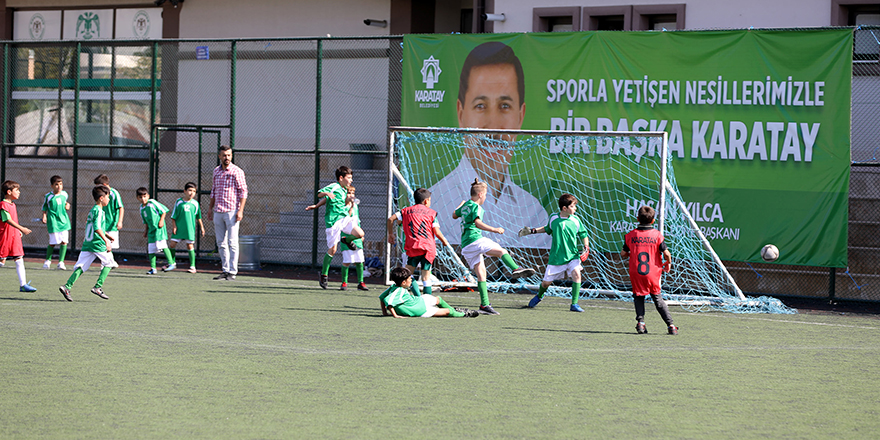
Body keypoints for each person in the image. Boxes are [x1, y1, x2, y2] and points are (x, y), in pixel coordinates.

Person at [430, 41, 549, 249]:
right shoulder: (438, 200)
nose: (493, 125)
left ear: (520, 116)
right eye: (480, 106)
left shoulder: (535, 210)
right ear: (461, 114)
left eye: (504, 106)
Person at [452, 178, 536, 315]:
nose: (485, 197)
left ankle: (484, 305)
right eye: (485, 195)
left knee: (481, 275)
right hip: (475, 240)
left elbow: (454, 215)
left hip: (466, 246)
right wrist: (494, 229)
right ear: (480, 195)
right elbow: (477, 223)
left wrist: (459, 206)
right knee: (501, 251)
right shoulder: (475, 206)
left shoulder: (466, 205)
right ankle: (515, 268)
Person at [519, 193, 590, 312]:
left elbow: (583, 234)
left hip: (572, 256)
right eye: (573, 206)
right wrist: (532, 231)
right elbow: (547, 229)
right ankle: (540, 295)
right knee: (546, 283)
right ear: (564, 208)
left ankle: (574, 304)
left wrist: (586, 247)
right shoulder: (554, 218)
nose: (575, 208)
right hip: (556, 257)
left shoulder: (576, 220)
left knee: (577, 274)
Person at [620, 206, 678, 335]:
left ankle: (640, 323)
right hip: (652, 272)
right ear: (653, 221)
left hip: (636, 272)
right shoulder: (657, 235)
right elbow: (667, 254)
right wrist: (668, 263)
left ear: (637, 219)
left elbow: (623, 253)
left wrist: (633, 254)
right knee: (657, 298)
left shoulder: (631, 235)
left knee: (638, 296)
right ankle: (671, 325)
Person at [306, 165, 365, 289]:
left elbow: (339, 201)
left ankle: (346, 239)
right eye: (349, 178)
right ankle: (324, 274)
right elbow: (320, 194)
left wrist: (350, 203)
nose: (351, 180)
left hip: (344, 218)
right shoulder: (334, 186)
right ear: (341, 177)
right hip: (333, 222)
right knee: (332, 250)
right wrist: (318, 203)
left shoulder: (344, 190)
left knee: (360, 234)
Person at [387, 187, 451, 298]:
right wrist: (444, 241)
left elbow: (390, 219)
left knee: (406, 275)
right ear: (426, 201)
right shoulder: (432, 213)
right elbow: (436, 231)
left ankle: (407, 297)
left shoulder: (405, 211)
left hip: (413, 246)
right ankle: (427, 301)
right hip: (427, 248)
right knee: (426, 277)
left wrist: (391, 234)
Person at [59, 186, 115, 301]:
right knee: (109, 263)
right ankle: (98, 287)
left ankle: (67, 286)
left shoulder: (93, 210)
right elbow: (97, 228)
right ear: (101, 198)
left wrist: (107, 235)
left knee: (81, 266)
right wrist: (106, 241)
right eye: (108, 197)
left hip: (88, 243)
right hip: (97, 243)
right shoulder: (99, 211)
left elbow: (95, 226)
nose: (109, 200)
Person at [208, 145, 248, 281]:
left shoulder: (237, 171)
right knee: (221, 242)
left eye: (229, 155)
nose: (227, 158)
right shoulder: (216, 171)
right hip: (218, 210)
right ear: (219, 156)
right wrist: (210, 208)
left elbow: (243, 191)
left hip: (232, 211)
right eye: (224, 155)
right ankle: (225, 270)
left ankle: (232, 271)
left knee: (232, 242)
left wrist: (240, 210)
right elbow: (213, 190)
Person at [379, 266, 479, 318]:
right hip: (422, 310)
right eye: (410, 279)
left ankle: (455, 309)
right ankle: (464, 314)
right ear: (404, 282)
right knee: (447, 312)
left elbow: (381, 297)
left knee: (438, 299)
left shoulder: (393, 287)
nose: (411, 281)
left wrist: (384, 313)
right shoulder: (399, 290)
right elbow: (389, 301)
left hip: (420, 301)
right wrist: (395, 315)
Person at [1, 180, 37, 292]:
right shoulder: (3, 205)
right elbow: (7, 219)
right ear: (9, 192)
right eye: (17, 190)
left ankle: (23, 285)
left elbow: (13, 220)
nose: (19, 192)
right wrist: (21, 228)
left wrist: (17, 231)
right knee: (2, 261)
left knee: (19, 258)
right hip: (5, 236)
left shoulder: (13, 205)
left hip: (14, 236)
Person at [137, 187, 176, 274]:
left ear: (148, 196)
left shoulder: (152, 203)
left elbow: (164, 211)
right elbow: (146, 221)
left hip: (159, 229)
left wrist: (161, 220)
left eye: (145, 196)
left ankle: (171, 263)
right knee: (151, 249)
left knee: (163, 245)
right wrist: (146, 231)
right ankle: (153, 268)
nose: (143, 199)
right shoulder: (141, 208)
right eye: (140, 197)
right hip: (151, 231)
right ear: (137, 198)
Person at [169, 182, 205, 274]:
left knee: (190, 245)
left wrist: (202, 227)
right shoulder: (179, 202)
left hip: (190, 229)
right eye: (189, 190)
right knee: (172, 244)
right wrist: (174, 227)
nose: (191, 193)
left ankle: (192, 266)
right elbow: (173, 216)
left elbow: (198, 217)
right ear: (185, 191)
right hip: (179, 228)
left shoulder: (195, 204)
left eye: (194, 191)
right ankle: (172, 263)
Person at [41, 175, 71, 270]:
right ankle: (47, 261)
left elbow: (66, 204)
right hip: (53, 222)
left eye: (61, 184)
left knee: (64, 242)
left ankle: (61, 262)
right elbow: (45, 207)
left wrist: (68, 206)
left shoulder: (65, 194)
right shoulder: (48, 196)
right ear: (52, 186)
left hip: (64, 222)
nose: (59, 186)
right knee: (53, 242)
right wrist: (44, 216)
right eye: (56, 184)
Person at [94, 174, 123, 261]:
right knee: (103, 244)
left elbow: (120, 207)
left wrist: (120, 221)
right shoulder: (100, 196)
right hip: (102, 223)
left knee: (110, 245)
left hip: (111, 224)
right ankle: (108, 262)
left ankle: (109, 262)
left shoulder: (114, 194)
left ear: (104, 185)